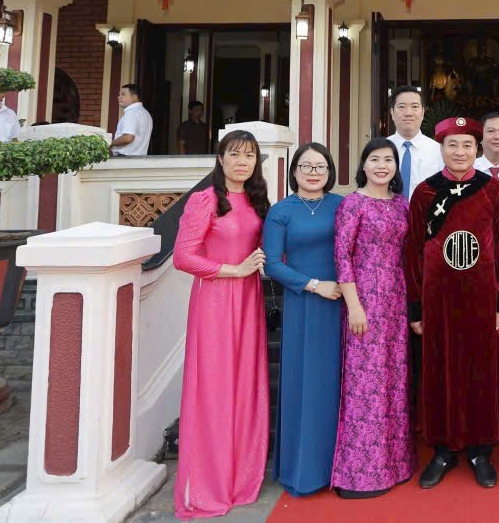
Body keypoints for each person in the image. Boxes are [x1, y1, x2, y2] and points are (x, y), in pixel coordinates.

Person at [406, 116, 499, 490]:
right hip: (437, 301)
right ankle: (443, 449)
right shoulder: (425, 193)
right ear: (441, 149)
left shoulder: (491, 190)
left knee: (481, 372)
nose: (459, 151)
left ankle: (480, 450)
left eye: (467, 145)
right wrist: (416, 306)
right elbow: (413, 252)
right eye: (452, 145)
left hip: (481, 299)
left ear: (476, 149)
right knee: (439, 372)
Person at [172, 130, 270, 519]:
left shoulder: (257, 200)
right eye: (235, 154)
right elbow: (183, 257)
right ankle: (208, 484)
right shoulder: (205, 200)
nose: (242, 162)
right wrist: (235, 270)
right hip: (215, 301)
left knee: (245, 387)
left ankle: (239, 478)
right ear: (220, 158)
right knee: (214, 389)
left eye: (249, 156)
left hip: (249, 302)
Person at [331, 139, 417, 499]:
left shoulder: (401, 204)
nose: (382, 166)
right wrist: (354, 305)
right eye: (375, 159)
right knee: (364, 385)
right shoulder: (353, 204)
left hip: (396, 302)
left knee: (394, 381)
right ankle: (360, 474)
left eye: (388, 160)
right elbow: (342, 256)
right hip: (364, 301)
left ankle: (395, 465)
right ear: (363, 165)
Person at [263, 143, 344, 497]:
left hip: (343, 302)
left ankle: (342, 466)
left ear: (330, 172)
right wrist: (314, 285)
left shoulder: (342, 205)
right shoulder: (281, 211)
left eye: (320, 167)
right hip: (304, 305)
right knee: (307, 384)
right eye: (306, 166)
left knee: (339, 384)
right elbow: (272, 264)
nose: (313, 173)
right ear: (294, 171)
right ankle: (306, 469)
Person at [386, 85, 444, 199]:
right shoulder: (379, 149)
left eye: (414, 107)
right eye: (402, 107)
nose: (408, 113)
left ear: (423, 112)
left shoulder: (438, 151)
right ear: (392, 113)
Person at [111, 83, 153, 156]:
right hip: (139, 158)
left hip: (125, 158)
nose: (119, 97)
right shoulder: (145, 113)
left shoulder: (132, 113)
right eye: (119, 94)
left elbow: (128, 138)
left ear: (134, 97)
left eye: (123, 94)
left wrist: (109, 143)